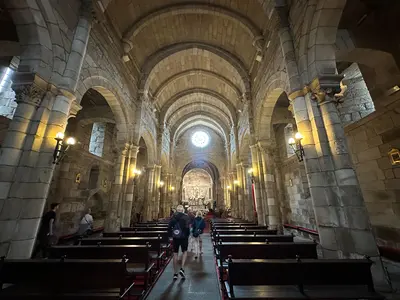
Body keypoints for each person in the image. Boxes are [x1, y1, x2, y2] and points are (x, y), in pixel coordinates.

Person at [168, 205, 190, 280]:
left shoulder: (173, 217)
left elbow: (169, 227)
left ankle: (175, 273)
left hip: (176, 237)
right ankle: (182, 268)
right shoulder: (186, 217)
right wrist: (187, 235)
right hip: (184, 237)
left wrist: (171, 235)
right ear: (183, 210)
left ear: (177, 210)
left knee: (175, 253)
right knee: (184, 252)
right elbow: (187, 227)